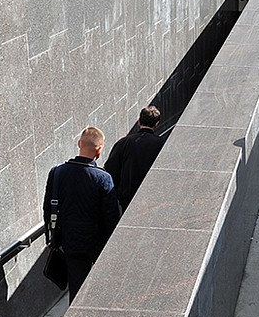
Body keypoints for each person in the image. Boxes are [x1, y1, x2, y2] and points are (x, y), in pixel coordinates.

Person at [43, 126, 120, 302]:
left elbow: (48, 209)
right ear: (99, 149)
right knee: (102, 287)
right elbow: (111, 216)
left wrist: (53, 237)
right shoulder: (103, 178)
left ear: (79, 144)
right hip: (97, 241)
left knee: (76, 289)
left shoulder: (57, 173)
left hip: (69, 241)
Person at [104, 105, 166, 212]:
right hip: (153, 195)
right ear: (157, 124)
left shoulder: (123, 142)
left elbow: (111, 169)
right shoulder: (163, 144)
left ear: (139, 121)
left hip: (128, 196)